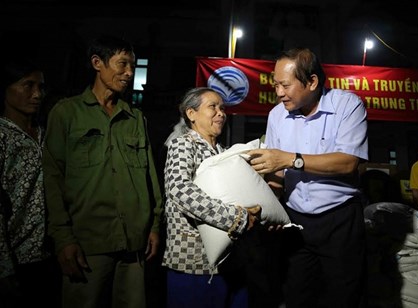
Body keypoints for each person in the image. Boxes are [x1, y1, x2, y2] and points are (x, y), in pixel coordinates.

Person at [42, 35, 163, 308]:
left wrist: (154, 225)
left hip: (135, 243)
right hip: (87, 244)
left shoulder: (135, 118)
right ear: (97, 63)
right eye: (122, 64)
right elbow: (52, 178)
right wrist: (63, 238)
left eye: (132, 65)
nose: (129, 73)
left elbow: (150, 178)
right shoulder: (66, 114)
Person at [246, 47, 369, 308]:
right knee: (296, 295)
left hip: (340, 220)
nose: (279, 93)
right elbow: (277, 173)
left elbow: (349, 163)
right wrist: (270, 208)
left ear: (312, 82)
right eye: (276, 84)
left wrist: (290, 159)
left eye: (286, 85)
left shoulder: (348, 105)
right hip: (296, 222)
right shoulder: (276, 115)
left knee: (341, 297)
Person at [161, 87, 263, 308]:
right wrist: (236, 218)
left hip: (231, 262)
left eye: (223, 108)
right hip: (194, 262)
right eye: (213, 107)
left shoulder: (223, 151)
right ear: (191, 114)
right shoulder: (183, 145)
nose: (221, 113)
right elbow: (179, 190)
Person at [0, 57, 61, 308]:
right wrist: (3, 266)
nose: (37, 94)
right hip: (13, 256)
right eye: (27, 85)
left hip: (47, 253)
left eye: (41, 87)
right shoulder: (2, 136)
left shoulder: (45, 133)